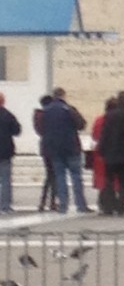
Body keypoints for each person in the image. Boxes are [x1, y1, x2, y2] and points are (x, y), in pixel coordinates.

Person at [41, 87, 91, 215]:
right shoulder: (69, 109)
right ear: (63, 96)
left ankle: (63, 206)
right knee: (76, 177)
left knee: (60, 177)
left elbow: (42, 129)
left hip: (55, 149)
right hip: (71, 147)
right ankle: (81, 205)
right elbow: (81, 124)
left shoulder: (45, 111)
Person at [97, 90, 124, 215]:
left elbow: (105, 134)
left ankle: (109, 207)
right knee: (123, 182)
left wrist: (101, 150)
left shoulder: (109, 115)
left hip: (110, 152)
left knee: (109, 180)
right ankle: (120, 207)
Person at [91, 97, 117, 214]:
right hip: (114, 151)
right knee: (113, 180)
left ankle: (103, 203)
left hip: (100, 153)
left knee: (103, 180)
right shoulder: (118, 120)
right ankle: (112, 204)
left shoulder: (99, 120)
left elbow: (95, 136)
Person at [33, 94, 56, 212]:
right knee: (53, 176)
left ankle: (43, 202)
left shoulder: (38, 116)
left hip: (45, 147)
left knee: (49, 175)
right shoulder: (48, 116)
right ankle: (51, 202)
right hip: (53, 147)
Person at [0, 92, 21, 215]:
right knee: (6, 180)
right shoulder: (8, 115)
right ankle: (5, 206)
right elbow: (17, 131)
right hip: (5, 152)